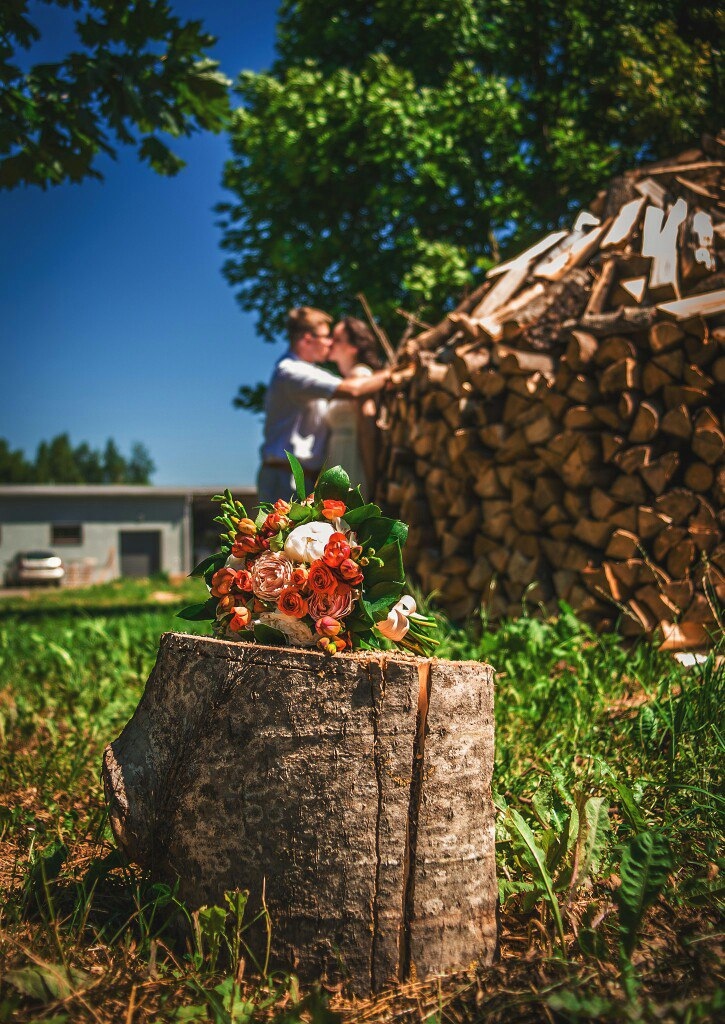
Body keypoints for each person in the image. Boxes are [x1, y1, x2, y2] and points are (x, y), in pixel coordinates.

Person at [257, 307, 391, 504]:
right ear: (307, 339)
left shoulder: (312, 372)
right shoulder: (292, 372)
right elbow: (353, 389)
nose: (329, 343)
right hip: (286, 477)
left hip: (307, 476)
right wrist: (393, 374)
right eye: (326, 337)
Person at [327, 317, 383, 497]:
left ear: (354, 347)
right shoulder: (347, 378)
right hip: (338, 457)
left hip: (350, 460)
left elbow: (367, 424)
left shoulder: (361, 374)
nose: (329, 343)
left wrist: (370, 477)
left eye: (337, 339)